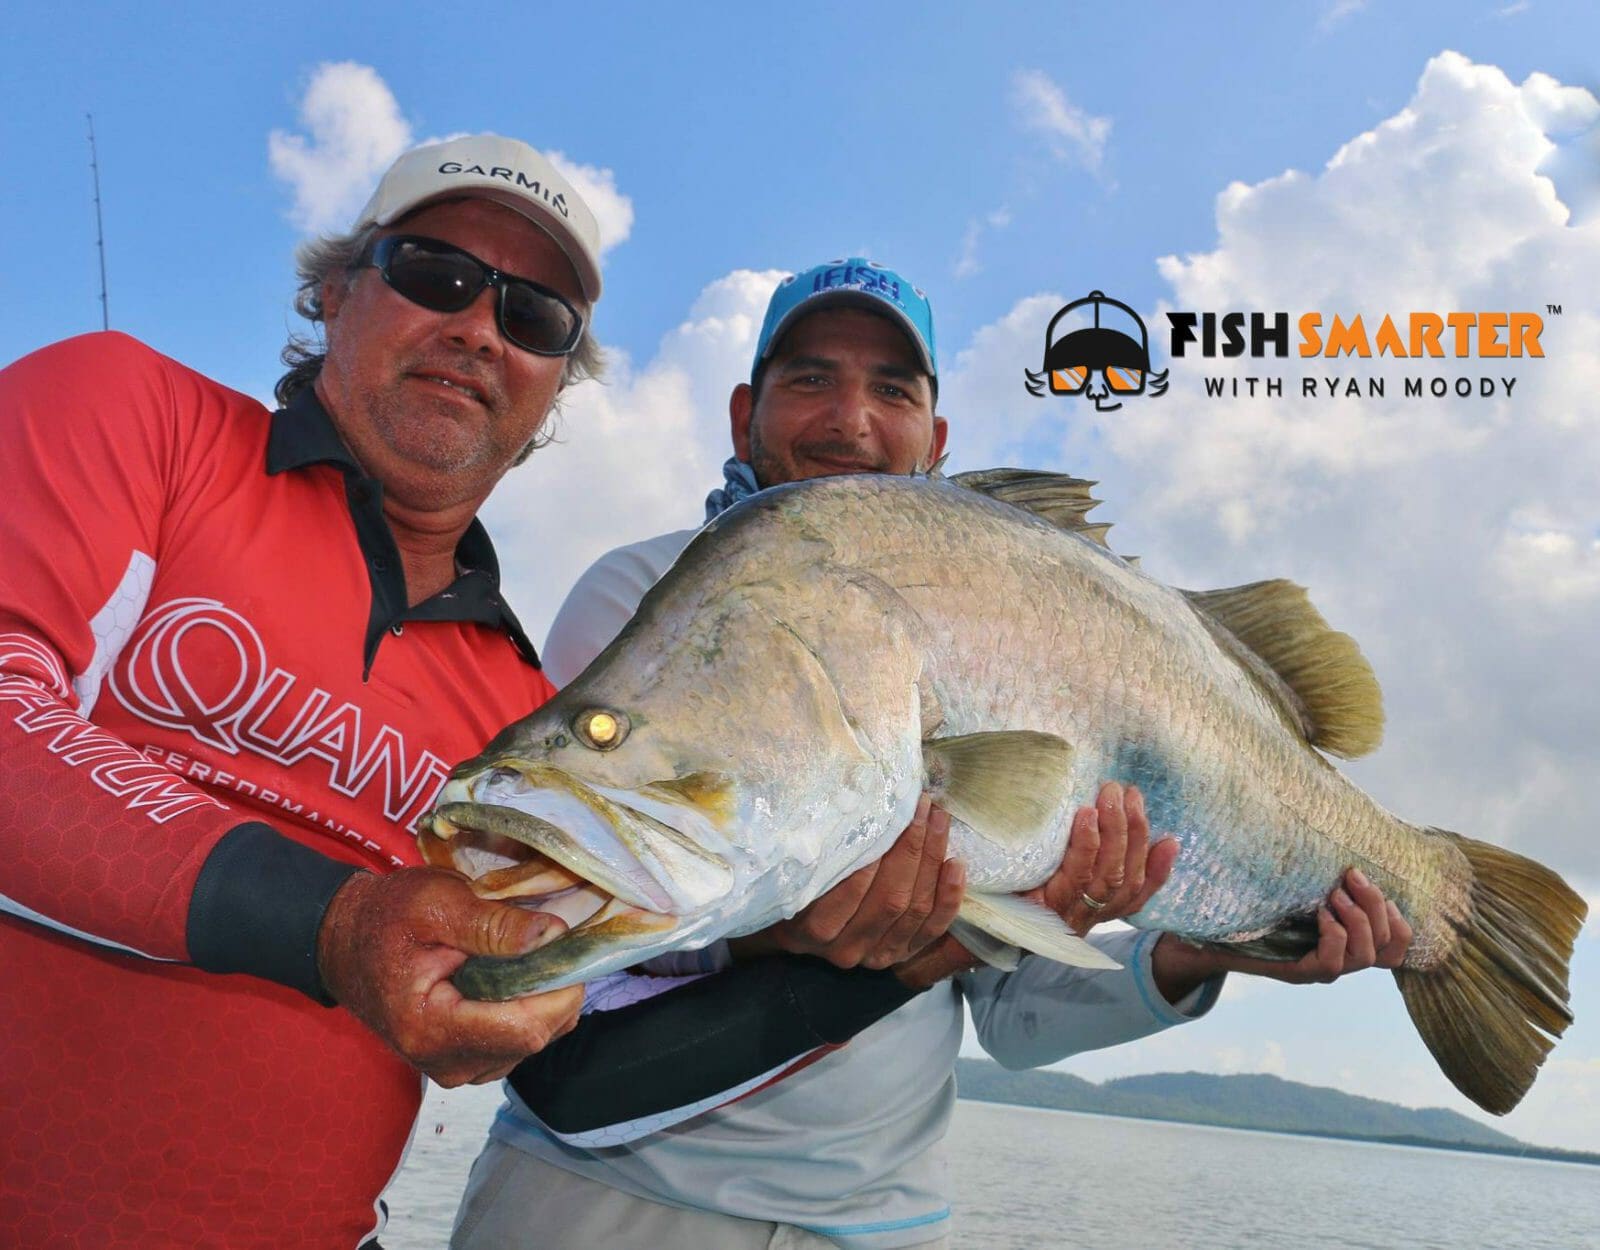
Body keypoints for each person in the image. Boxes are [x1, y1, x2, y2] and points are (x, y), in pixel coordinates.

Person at [0, 140, 948, 1250]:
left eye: (536, 315)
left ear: (554, 385)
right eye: (435, 273)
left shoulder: (514, 710)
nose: (481, 328)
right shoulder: (133, 410)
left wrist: (903, 948)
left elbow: (578, 1053)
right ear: (332, 288)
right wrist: (335, 921)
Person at [452, 258, 1415, 1250]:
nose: (849, 419)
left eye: (892, 389)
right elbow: (579, 928)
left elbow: (1013, 1014)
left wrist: (1202, 944)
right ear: (746, 409)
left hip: (881, 1223)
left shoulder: (1000, 604)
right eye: (810, 377)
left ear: (935, 436)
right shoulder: (644, 592)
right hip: (599, 1204)